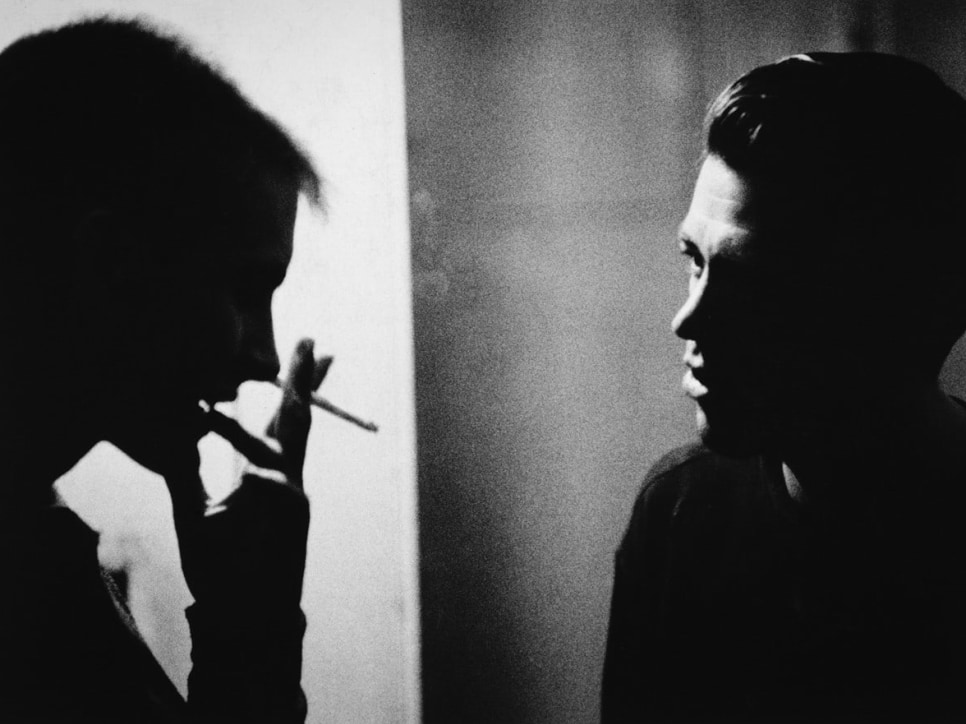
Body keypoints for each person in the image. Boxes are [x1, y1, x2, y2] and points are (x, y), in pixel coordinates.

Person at [602, 53, 966, 723]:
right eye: (695, 263)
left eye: (751, 280)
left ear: (885, 307)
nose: (689, 319)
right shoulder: (680, 516)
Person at [0, 17, 328, 723]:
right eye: (244, 290)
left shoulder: (38, 544)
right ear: (109, 266)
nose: (266, 359)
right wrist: (253, 642)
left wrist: (247, 626)